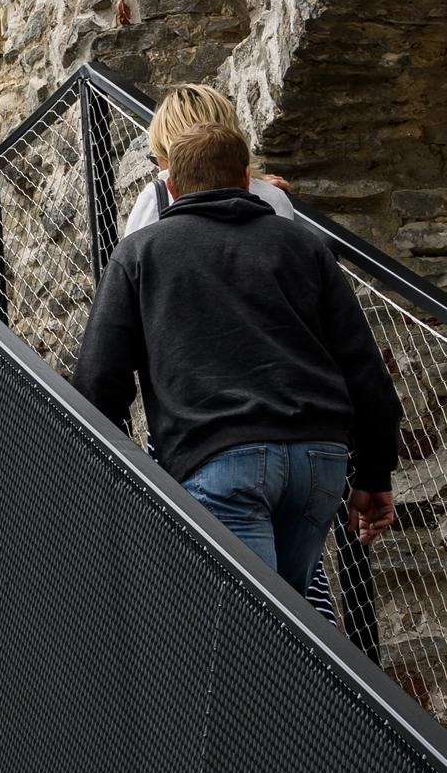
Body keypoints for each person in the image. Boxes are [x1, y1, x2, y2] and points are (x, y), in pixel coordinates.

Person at [74, 121, 400, 597]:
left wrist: (111, 480)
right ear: (248, 178)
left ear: (169, 185)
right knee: (294, 628)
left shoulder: (139, 254)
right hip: (319, 460)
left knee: (245, 638)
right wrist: (374, 472)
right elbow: (363, 365)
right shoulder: (305, 247)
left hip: (217, 456)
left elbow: (100, 382)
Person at [120, 83, 300, 238]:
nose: (160, 170)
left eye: (159, 158)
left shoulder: (156, 198)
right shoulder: (273, 198)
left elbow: (129, 264)